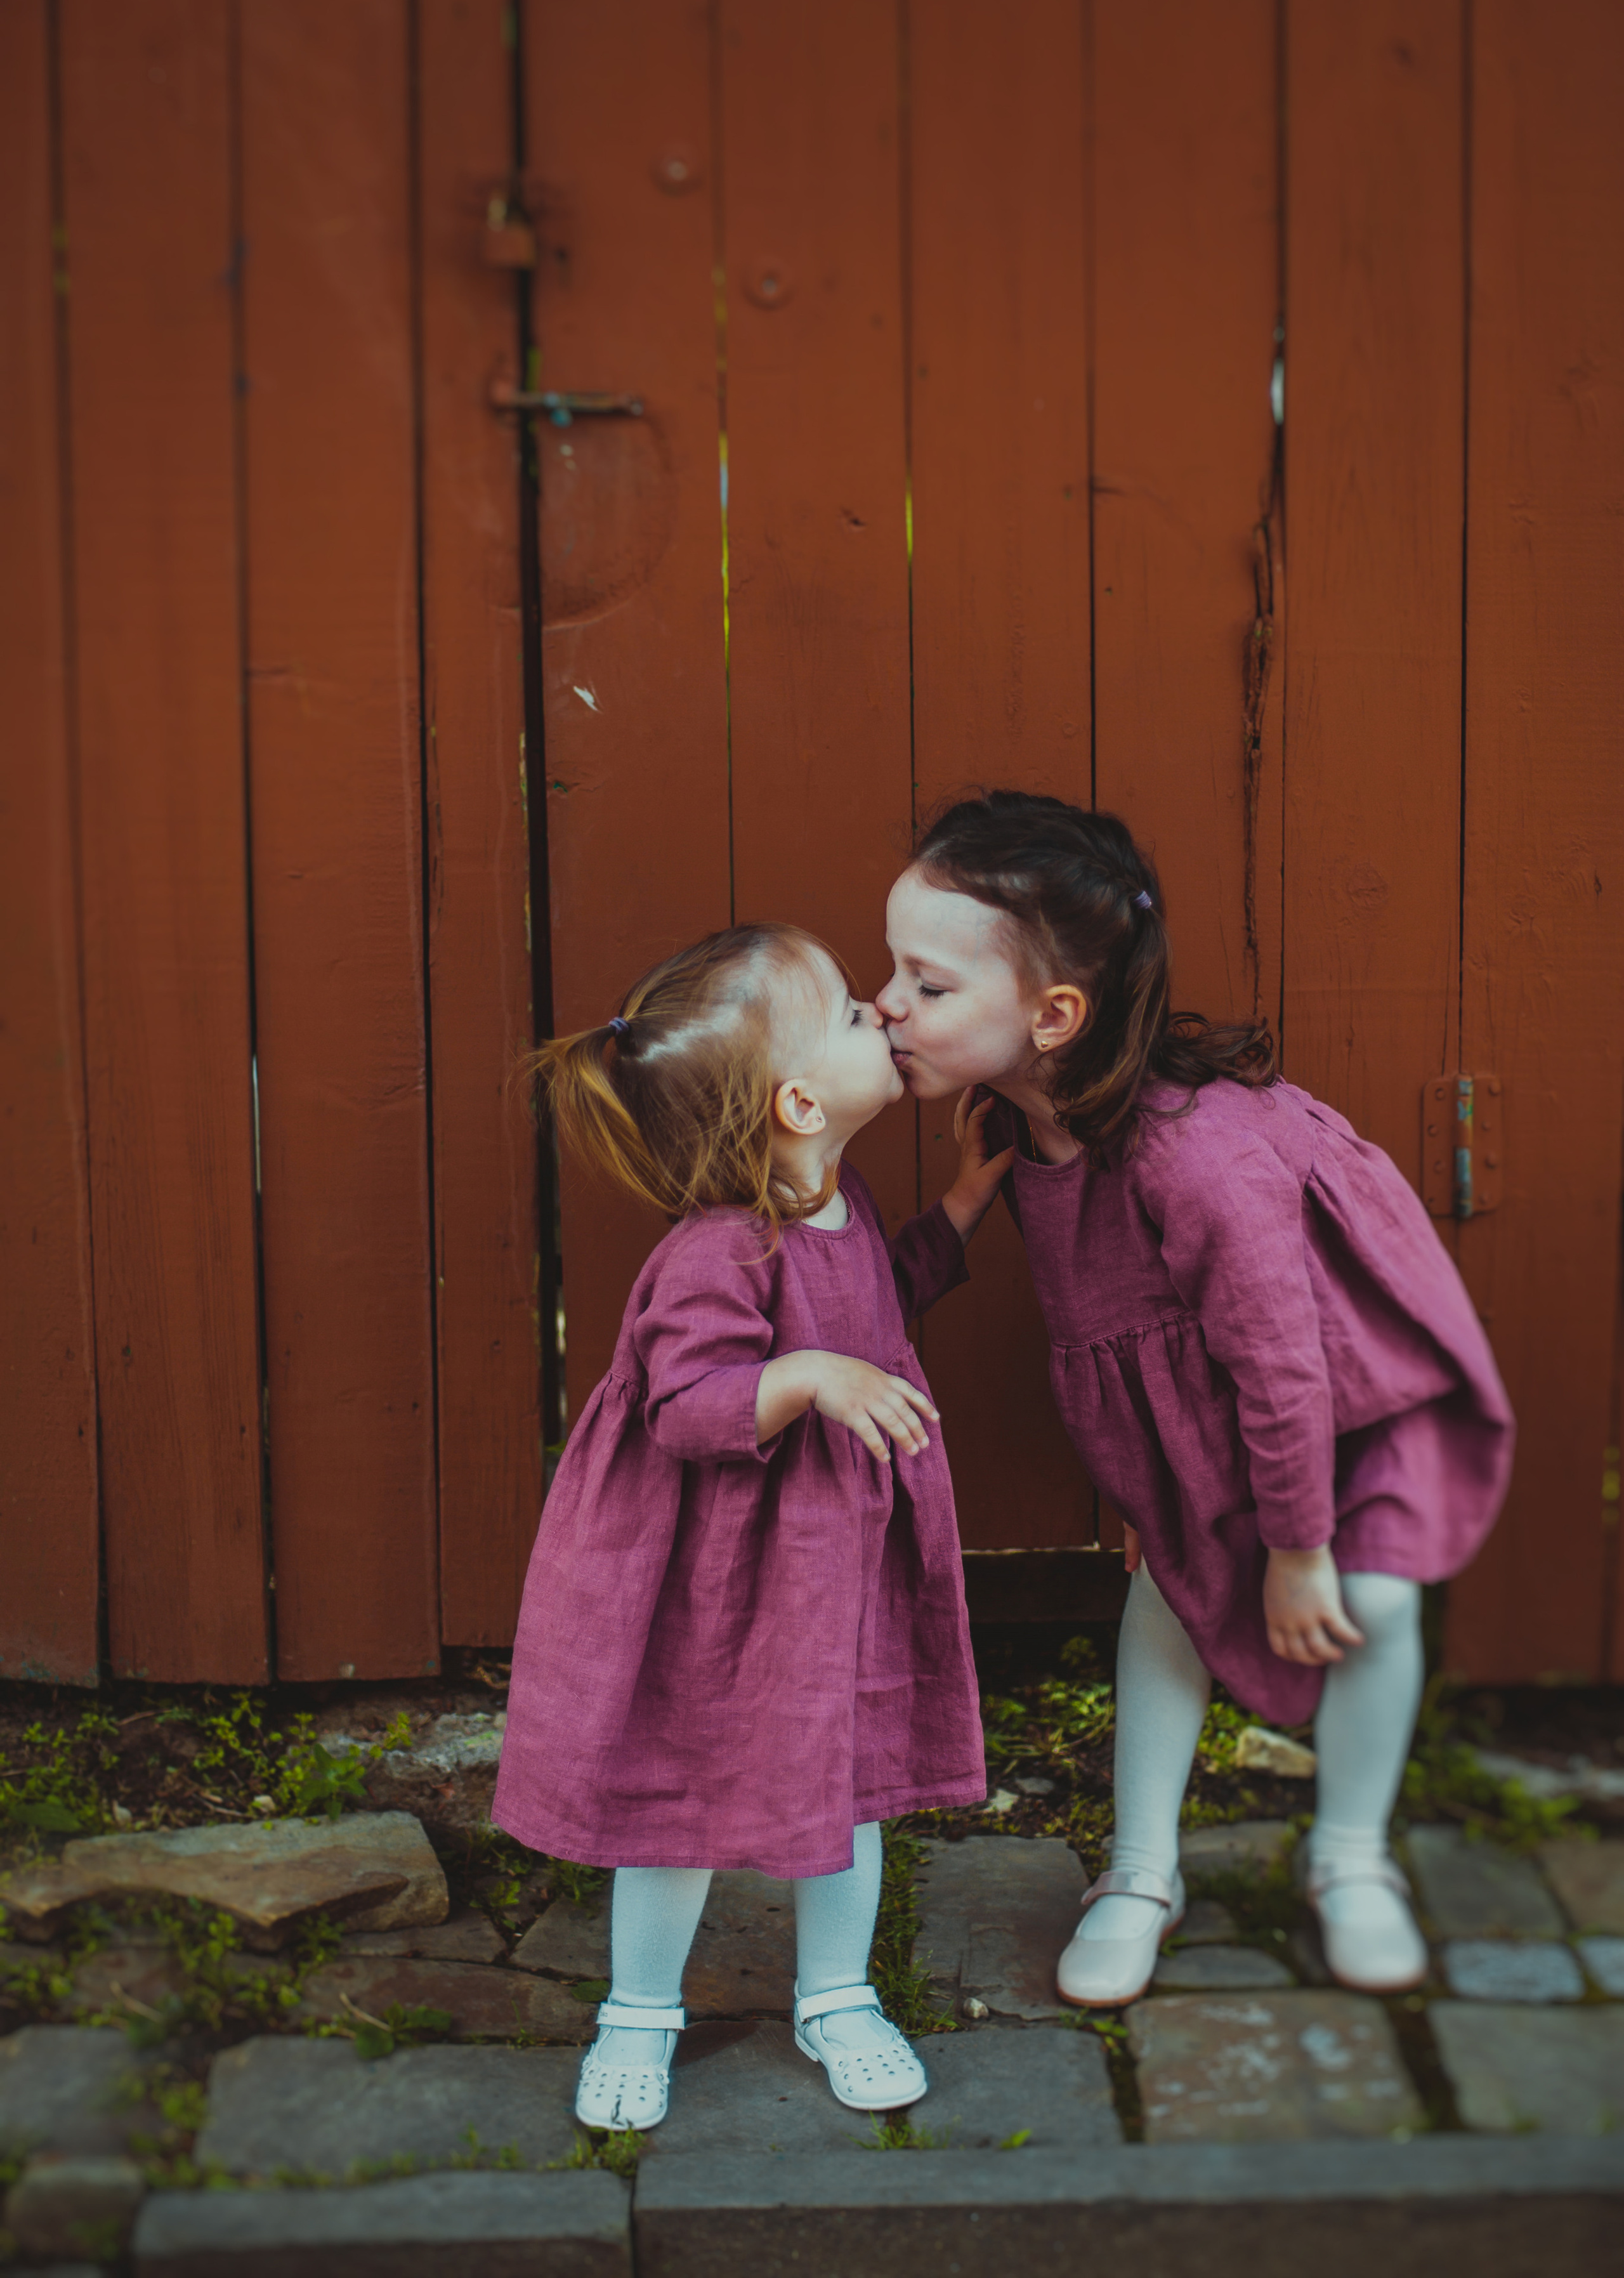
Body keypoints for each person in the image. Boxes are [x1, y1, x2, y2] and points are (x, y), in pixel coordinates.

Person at [877, 791, 1514, 2003]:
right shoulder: (1017, 1127)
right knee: (1170, 1574)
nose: (887, 1006)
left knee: (1367, 1597)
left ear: (1052, 1017)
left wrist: (1297, 1547)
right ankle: (1140, 1871)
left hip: (1348, 1402)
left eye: (927, 984)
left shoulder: (1194, 1160)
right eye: (891, 971)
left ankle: (1351, 1855)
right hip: (1221, 1408)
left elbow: (1281, 1365)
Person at [493, 923, 1007, 2133]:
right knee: (680, 1797)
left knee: (852, 1780)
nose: (878, 1016)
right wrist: (811, 1376)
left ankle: (835, 1996)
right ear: (795, 1099)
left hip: (834, 1568)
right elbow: (690, 1407)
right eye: (846, 1013)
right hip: (718, 1583)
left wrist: (972, 1199)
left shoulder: (839, 1199)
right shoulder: (717, 1251)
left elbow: (884, 1291)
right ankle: (638, 2008)